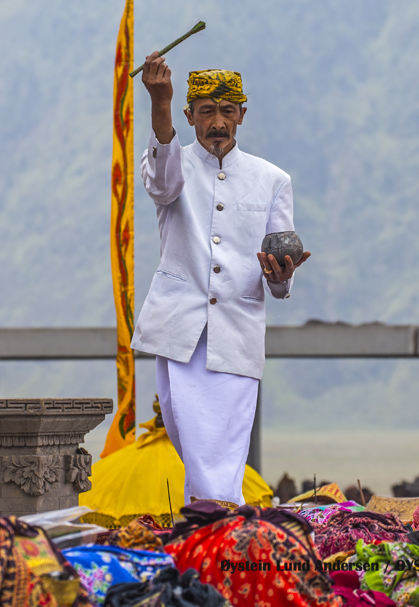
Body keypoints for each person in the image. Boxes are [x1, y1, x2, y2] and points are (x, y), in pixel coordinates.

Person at [132, 53, 309, 506]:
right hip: (181, 330)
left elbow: (280, 273)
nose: (217, 122)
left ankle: (215, 533)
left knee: (221, 452)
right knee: (195, 446)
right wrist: (160, 105)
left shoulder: (273, 179)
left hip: (236, 333)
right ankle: (215, 536)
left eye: (227, 111)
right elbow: (162, 187)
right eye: (206, 111)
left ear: (242, 116)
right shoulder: (167, 160)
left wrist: (281, 277)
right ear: (189, 115)